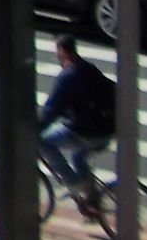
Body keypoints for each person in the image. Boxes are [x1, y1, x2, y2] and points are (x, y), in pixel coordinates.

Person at [39, 33, 116, 216]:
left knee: (43, 142)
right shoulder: (88, 68)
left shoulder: (68, 76)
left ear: (63, 52)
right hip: (107, 130)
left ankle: (73, 183)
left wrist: (34, 129)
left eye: (57, 52)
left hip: (88, 132)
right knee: (78, 158)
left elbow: (51, 110)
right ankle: (92, 201)